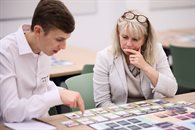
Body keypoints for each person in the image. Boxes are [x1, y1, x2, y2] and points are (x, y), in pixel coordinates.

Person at [0, 0, 85, 123]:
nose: (64, 46)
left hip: (43, 123)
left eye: (66, 40)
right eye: (59, 39)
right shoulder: (5, 51)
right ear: (38, 31)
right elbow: (11, 112)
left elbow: (42, 84)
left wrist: (61, 92)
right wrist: (56, 96)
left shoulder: (44, 47)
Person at [93, 9, 178, 108]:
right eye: (124, 37)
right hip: (120, 114)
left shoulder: (156, 51)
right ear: (118, 34)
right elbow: (102, 102)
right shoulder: (104, 57)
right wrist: (125, 115)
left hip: (152, 111)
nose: (128, 44)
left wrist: (145, 66)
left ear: (145, 39)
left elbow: (171, 90)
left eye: (135, 39)